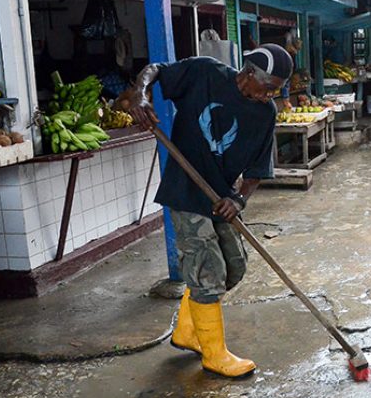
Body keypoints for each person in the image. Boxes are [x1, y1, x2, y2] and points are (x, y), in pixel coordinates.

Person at [122, 44, 293, 379]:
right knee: (207, 269)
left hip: (220, 197)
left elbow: (258, 169)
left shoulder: (265, 113)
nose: (270, 95)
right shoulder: (205, 73)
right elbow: (156, 69)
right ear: (248, 74)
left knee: (233, 267)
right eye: (269, 87)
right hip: (186, 189)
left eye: (276, 89)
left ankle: (187, 332)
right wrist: (140, 95)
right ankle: (214, 355)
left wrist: (239, 199)